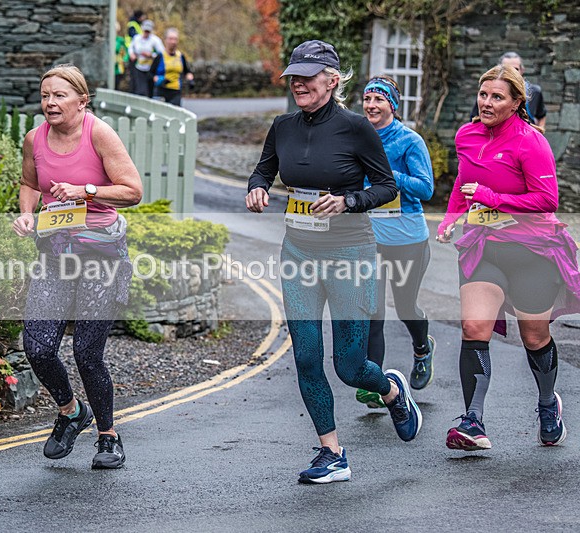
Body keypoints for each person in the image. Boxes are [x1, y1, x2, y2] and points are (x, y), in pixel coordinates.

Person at [245, 40, 422, 484]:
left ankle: (392, 390)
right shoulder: (283, 126)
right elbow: (264, 169)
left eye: (308, 75)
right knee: (306, 356)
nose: (299, 83)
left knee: (349, 366)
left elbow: (386, 187)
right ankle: (333, 452)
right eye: (294, 76)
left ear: (333, 79)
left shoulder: (356, 128)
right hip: (299, 254)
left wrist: (349, 201)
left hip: (350, 254)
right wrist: (257, 187)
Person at [436, 64, 580, 451]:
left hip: (532, 251)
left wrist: (493, 198)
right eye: (483, 94)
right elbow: (463, 184)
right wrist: (451, 220)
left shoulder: (531, 142)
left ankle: (549, 405)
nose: (486, 102)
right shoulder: (467, 134)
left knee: (534, 336)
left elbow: (547, 200)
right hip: (485, 248)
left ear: (517, 102)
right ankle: (473, 421)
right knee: (473, 327)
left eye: (497, 96)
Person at [12, 64, 143, 469]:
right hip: (55, 253)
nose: (50, 102)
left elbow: (133, 191)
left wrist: (86, 191)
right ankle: (71, 412)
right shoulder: (35, 138)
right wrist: (27, 214)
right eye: (45, 95)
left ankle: (108, 437)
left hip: (100, 257)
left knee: (87, 353)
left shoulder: (98, 133)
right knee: (37, 347)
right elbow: (30, 184)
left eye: (60, 95)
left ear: (82, 101)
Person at [355, 76, 436, 411]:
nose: (372, 105)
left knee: (405, 308)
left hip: (407, 239)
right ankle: (375, 383)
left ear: (392, 105)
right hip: (367, 238)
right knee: (373, 311)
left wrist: (388, 174)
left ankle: (422, 347)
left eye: (379, 99)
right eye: (367, 98)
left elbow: (426, 188)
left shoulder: (409, 141)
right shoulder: (357, 137)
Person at [470, 52, 547, 130]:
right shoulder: (487, 95)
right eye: (507, 69)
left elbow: (541, 115)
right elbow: (475, 119)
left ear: (522, 70)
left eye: (515, 69)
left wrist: (539, 132)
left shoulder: (535, 91)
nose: (511, 74)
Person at [150, 28, 194, 106]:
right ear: (165, 40)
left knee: (174, 115)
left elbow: (187, 71)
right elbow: (150, 74)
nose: (173, 42)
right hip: (161, 91)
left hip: (175, 91)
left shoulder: (181, 56)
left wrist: (190, 80)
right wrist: (156, 79)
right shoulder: (160, 56)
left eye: (175, 39)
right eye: (170, 39)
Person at [127, 19, 163, 98]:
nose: (146, 33)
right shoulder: (137, 38)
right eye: (145, 31)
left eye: (148, 31)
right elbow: (131, 48)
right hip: (139, 67)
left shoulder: (155, 40)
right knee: (140, 90)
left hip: (150, 69)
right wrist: (132, 54)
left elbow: (162, 53)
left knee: (150, 90)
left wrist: (151, 55)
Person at [125, 10, 146, 94]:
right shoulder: (133, 25)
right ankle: (133, 91)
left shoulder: (137, 25)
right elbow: (134, 38)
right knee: (134, 74)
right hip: (133, 53)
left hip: (137, 53)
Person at [114, 21, 128, 91]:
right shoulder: (108, 40)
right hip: (109, 67)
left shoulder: (120, 40)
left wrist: (123, 60)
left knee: (116, 84)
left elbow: (125, 53)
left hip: (118, 67)